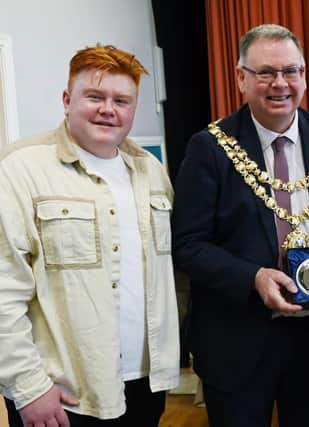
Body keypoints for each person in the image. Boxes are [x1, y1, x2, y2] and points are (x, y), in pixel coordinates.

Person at [171, 24, 309, 426]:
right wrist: (253, 277)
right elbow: (188, 245)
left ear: (305, 75)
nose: (280, 84)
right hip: (236, 340)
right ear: (241, 78)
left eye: (291, 71)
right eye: (265, 73)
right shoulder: (210, 147)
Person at [0, 45, 180, 426]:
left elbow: (169, 279)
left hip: (145, 384)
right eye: (94, 96)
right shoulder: (20, 169)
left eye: (121, 100)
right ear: (67, 100)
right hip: (63, 393)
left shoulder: (151, 172)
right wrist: (28, 386)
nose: (108, 109)